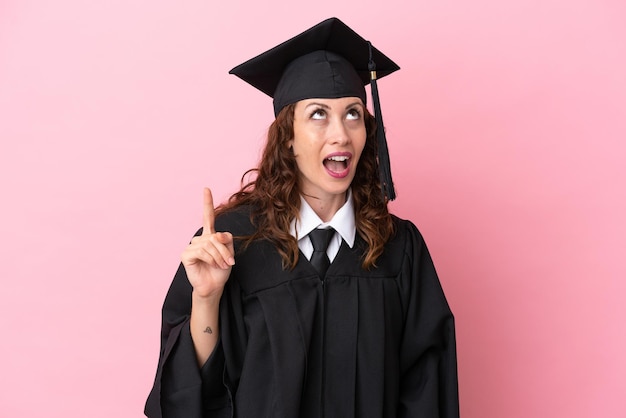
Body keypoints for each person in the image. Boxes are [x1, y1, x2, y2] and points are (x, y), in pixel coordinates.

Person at [145, 17, 459, 418]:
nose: (341, 134)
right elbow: (187, 397)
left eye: (352, 114)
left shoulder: (400, 248)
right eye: (317, 115)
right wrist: (206, 299)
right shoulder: (232, 242)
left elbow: (427, 390)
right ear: (287, 135)